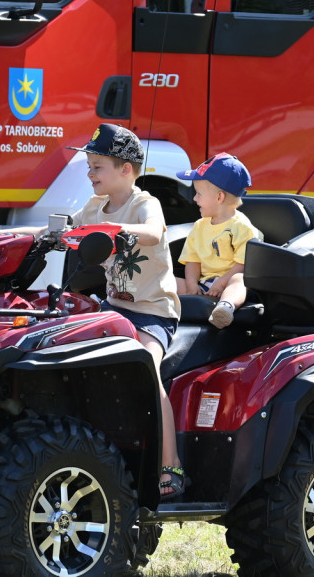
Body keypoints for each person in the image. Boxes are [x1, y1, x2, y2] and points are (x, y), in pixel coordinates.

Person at [66, 123, 186, 498]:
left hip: (153, 314)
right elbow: (65, 230)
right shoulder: (94, 206)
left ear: (126, 170)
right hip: (112, 307)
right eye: (88, 166)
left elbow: (153, 232)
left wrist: (110, 229)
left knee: (147, 372)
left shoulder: (144, 203)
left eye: (97, 166)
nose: (90, 174)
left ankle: (171, 465)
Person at [175, 153, 262, 328]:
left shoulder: (242, 227)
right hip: (202, 284)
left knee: (239, 279)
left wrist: (222, 283)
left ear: (219, 198)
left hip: (227, 284)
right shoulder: (200, 226)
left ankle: (225, 307)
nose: (194, 198)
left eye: (198, 194)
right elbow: (193, 260)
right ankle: (154, 301)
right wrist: (192, 285)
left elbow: (242, 264)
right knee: (168, 279)